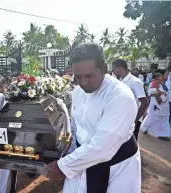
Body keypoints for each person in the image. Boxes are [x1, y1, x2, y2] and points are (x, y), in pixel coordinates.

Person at [47, 44, 141, 193]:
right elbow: (76, 128)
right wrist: (68, 153)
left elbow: (103, 147)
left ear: (104, 68)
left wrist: (64, 166)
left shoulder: (120, 96)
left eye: (89, 76)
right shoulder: (78, 92)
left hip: (115, 168)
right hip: (82, 161)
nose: (83, 82)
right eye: (78, 77)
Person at [112, 59, 148, 140]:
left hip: (132, 119)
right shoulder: (121, 81)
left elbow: (145, 103)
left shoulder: (135, 82)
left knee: (131, 143)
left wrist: (135, 120)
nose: (113, 72)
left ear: (119, 68)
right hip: (123, 117)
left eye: (114, 69)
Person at [141, 70, 170, 141]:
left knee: (163, 120)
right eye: (166, 74)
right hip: (157, 104)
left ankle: (162, 134)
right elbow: (150, 92)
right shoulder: (154, 83)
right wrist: (161, 93)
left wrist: (164, 94)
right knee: (152, 117)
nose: (167, 76)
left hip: (164, 105)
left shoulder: (164, 83)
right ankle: (146, 128)